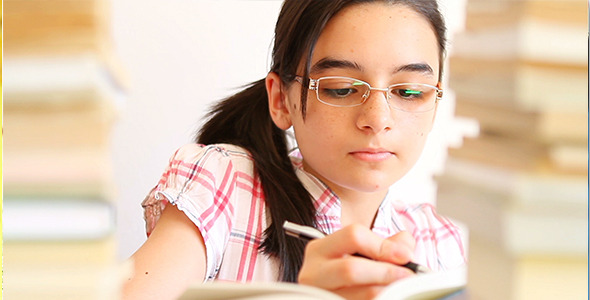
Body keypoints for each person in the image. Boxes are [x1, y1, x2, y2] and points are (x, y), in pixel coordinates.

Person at [123, 0, 466, 299]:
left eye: (408, 91)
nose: (377, 119)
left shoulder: (444, 242)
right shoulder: (227, 186)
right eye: (342, 88)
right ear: (280, 100)